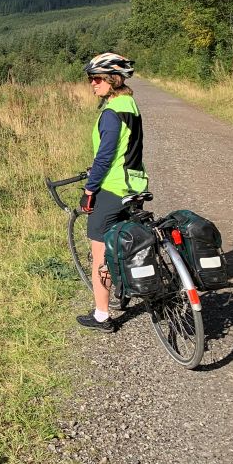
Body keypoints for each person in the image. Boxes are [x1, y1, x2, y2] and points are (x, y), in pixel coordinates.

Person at [77, 52, 149, 332]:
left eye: (96, 79)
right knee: (126, 243)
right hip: (136, 186)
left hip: (112, 188)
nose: (92, 84)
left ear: (112, 80)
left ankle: (102, 315)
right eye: (90, 79)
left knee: (100, 254)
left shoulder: (110, 113)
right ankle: (131, 287)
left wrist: (89, 189)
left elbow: (105, 157)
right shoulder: (130, 105)